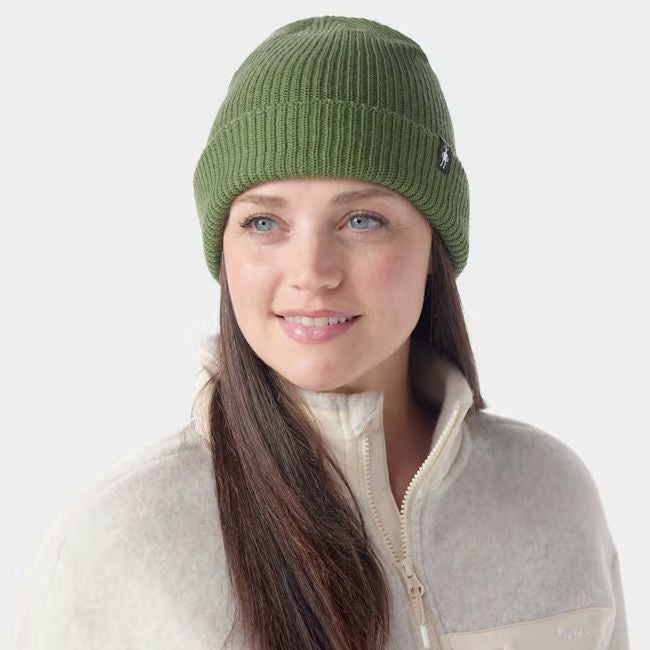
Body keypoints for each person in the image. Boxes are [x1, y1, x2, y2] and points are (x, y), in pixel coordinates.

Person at [15, 15, 628, 650]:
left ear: (433, 246)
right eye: (263, 223)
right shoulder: (118, 546)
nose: (311, 272)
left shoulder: (554, 497)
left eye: (362, 220)